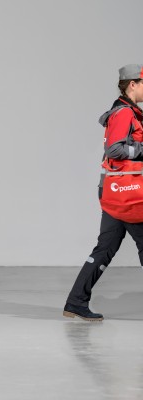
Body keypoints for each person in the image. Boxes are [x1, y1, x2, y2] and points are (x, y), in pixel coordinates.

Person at [64, 64, 143, 321]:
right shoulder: (123, 114)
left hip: (116, 193)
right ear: (132, 84)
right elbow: (115, 150)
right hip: (128, 195)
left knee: (104, 249)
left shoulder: (128, 112)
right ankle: (76, 302)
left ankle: (76, 302)